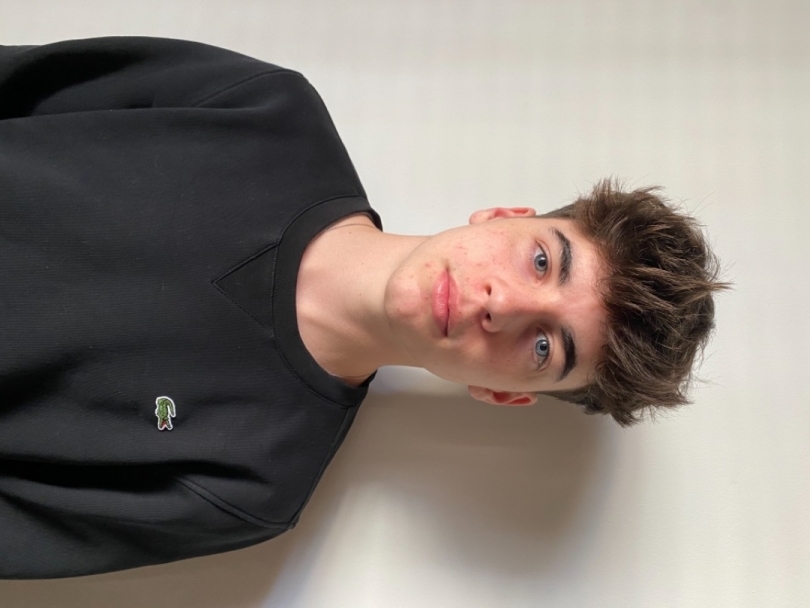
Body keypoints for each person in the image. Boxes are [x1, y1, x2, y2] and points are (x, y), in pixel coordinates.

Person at [0, 36, 726, 579]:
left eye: (545, 347)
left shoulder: (255, 482)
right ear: (504, 214)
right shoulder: (268, 112)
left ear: (503, 393)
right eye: (542, 260)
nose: (501, 303)